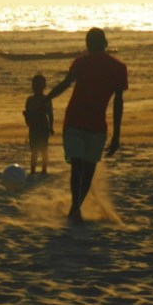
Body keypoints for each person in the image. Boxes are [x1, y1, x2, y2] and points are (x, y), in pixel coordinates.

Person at [46, 28, 127, 224]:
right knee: (85, 168)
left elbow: (65, 84)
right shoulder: (116, 67)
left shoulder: (83, 62)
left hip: (79, 122)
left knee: (80, 167)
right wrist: (117, 134)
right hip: (91, 125)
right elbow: (118, 103)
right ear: (105, 43)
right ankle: (76, 209)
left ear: (88, 44)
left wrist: (46, 98)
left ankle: (75, 208)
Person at [23, 74, 54, 176]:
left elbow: (50, 114)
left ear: (44, 86)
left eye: (38, 85)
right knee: (34, 150)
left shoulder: (46, 99)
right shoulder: (30, 100)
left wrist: (51, 127)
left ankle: (44, 170)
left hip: (43, 127)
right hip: (34, 127)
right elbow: (27, 114)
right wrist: (27, 119)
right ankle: (33, 170)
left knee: (43, 149)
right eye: (34, 85)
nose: (35, 87)